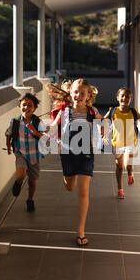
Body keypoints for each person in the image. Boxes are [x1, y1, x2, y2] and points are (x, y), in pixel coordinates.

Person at [46, 79, 105, 246]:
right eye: (75, 92)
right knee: (69, 186)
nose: (78, 95)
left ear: (88, 96)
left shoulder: (92, 111)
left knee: (84, 191)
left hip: (86, 154)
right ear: (70, 94)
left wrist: (104, 132)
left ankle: (81, 231)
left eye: (82, 93)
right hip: (67, 154)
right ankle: (68, 177)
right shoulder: (63, 111)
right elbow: (53, 126)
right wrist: (45, 132)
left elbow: (102, 122)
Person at [104, 87, 140, 199]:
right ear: (117, 97)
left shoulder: (133, 112)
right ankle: (120, 190)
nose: (124, 98)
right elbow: (102, 121)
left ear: (130, 99)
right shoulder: (113, 111)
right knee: (119, 166)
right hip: (117, 144)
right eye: (122, 95)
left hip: (131, 143)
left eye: (127, 96)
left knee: (127, 164)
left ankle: (130, 173)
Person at [5, 92, 48, 212]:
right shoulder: (15, 122)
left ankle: (30, 199)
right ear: (19, 106)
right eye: (24, 104)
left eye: (30, 105)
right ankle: (18, 183)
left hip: (34, 155)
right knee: (20, 175)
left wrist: (34, 131)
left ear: (34, 108)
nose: (26, 108)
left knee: (32, 182)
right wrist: (8, 146)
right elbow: (8, 134)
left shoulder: (38, 122)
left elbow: (45, 138)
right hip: (21, 153)